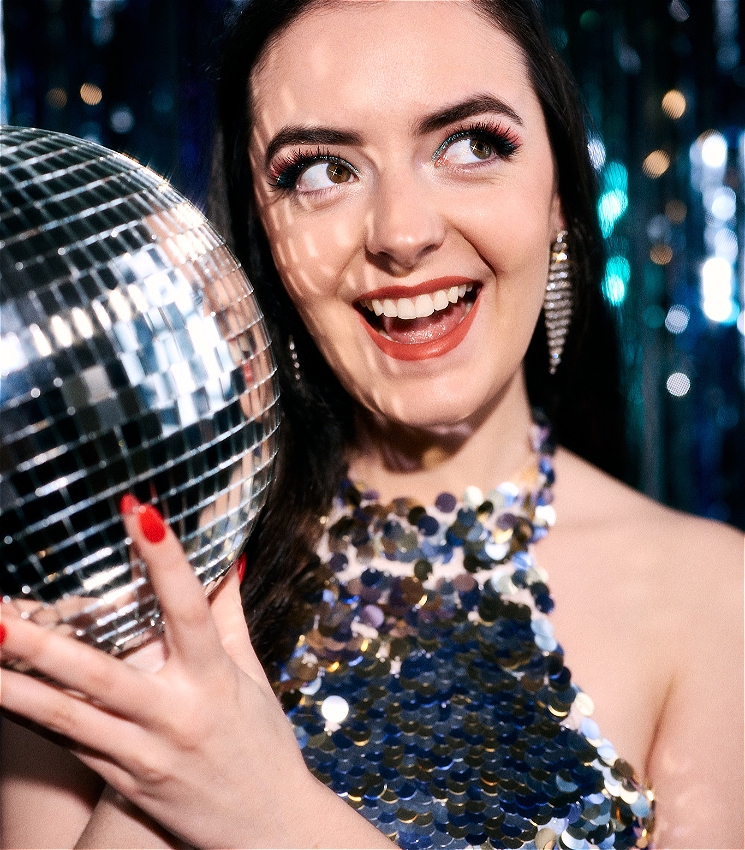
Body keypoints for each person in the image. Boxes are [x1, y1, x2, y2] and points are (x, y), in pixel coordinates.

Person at [1, 1, 743, 848]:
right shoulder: (118, 572)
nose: (401, 234)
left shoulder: (716, 604)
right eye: (318, 171)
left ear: (558, 202)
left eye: (471, 145)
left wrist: (260, 810)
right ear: (262, 238)